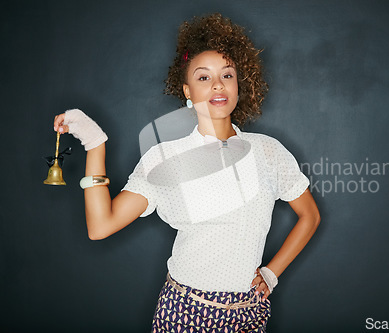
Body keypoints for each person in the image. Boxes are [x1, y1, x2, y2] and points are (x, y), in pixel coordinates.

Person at [53, 13, 320, 333]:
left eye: (227, 75)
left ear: (238, 85)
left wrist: (272, 273)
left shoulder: (267, 150)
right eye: (204, 77)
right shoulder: (165, 158)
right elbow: (101, 226)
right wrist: (95, 144)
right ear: (188, 91)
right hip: (187, 311)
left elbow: (310, 216)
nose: (218, 84)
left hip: (250, 314)